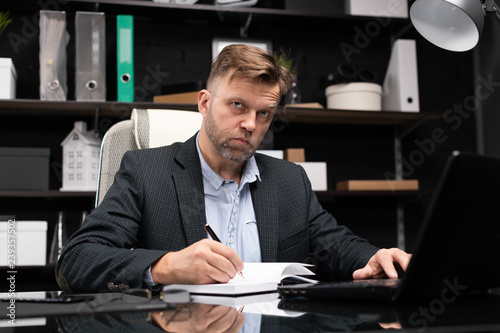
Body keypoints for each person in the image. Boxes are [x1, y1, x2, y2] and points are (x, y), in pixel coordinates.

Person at [56, 44, 411, 292]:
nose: (250, 124)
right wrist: (164, 267)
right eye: (237, 105)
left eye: (264, 113)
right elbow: (76, 260)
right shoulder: (146, 171)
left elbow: (334, 243)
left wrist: (374, 257)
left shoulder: (289, 180)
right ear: (205, 103)